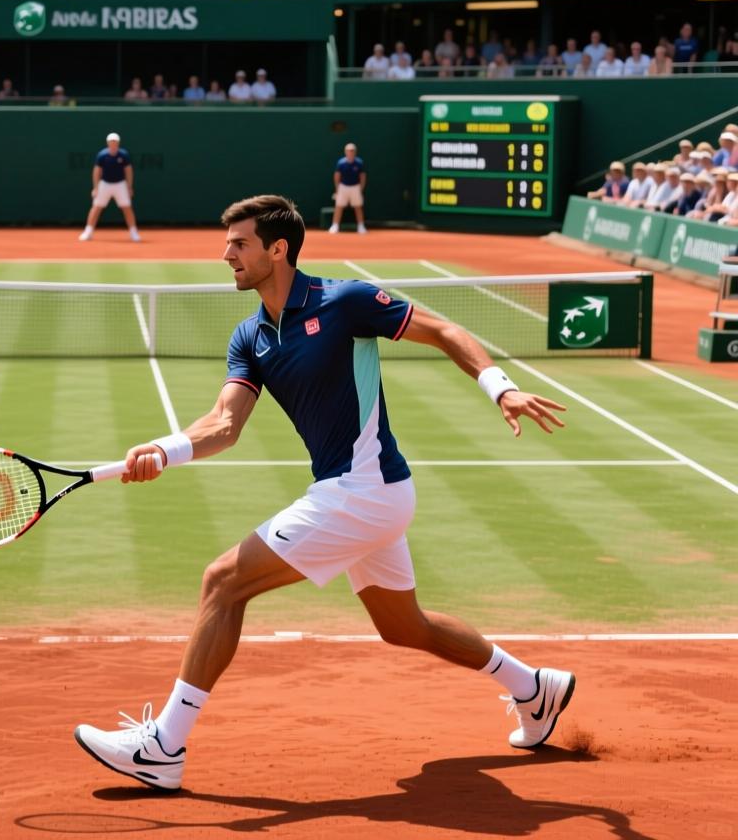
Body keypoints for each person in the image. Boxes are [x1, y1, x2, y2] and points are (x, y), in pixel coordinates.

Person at [73, 195, 575, 792]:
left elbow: (442, 329)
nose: (225, 253)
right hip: (367, 495)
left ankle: (164, 746)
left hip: (362, 489)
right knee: (404, 627)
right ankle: (533, 687)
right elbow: (223, 426)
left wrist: (501, 388)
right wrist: (163, 449)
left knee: (222, 582)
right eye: (227, 242)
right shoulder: (250, 335)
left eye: (239, 243)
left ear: (277, 248)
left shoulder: (344, 302)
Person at [79, 132, 140, 243]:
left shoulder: (124, 155)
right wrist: (96, 188)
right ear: (108, 143)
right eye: (111, 142)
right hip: (105, 184)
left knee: (127, 207)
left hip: (120, 184)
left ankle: (133, 232)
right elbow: (96, 172)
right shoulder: (102, 155)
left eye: (115, 142)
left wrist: (129, 186)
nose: (113, 144)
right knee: (96, 207)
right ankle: (88, 232)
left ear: (118, 143)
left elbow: (129, 171)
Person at [329, 142, 367, 234]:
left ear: (355, 152)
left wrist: (361, 188)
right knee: (338, 207)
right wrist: (338, 189)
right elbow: (337, 176)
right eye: (349, 151)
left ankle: (361, 226)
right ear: (345, 152)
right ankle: (335, 226)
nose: (351, 152)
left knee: (358, 207)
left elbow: (362, 176)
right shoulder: (341, 163)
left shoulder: (359, 163)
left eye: (352, 151)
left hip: (355, 187)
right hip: (343, 187)